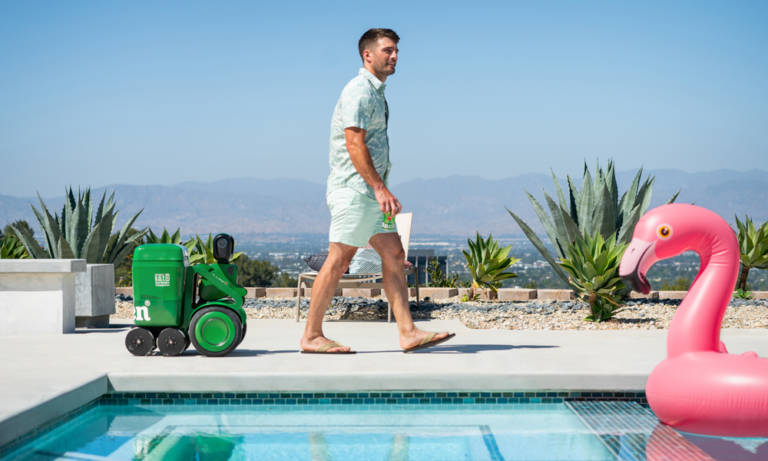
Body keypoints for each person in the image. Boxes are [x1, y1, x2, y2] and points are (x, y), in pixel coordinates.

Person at [300, 28, 455, 354]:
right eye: (388, 50)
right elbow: (354, 142)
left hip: (370, 194)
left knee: (394, 255)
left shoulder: (376, 93)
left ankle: (408, 332)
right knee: (339, 259)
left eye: (396, 51)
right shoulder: (359, 91)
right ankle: (312, 336)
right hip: (354, 191)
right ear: (367, 55)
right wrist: (380, 188)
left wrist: (379, 190)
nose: (395, 56)